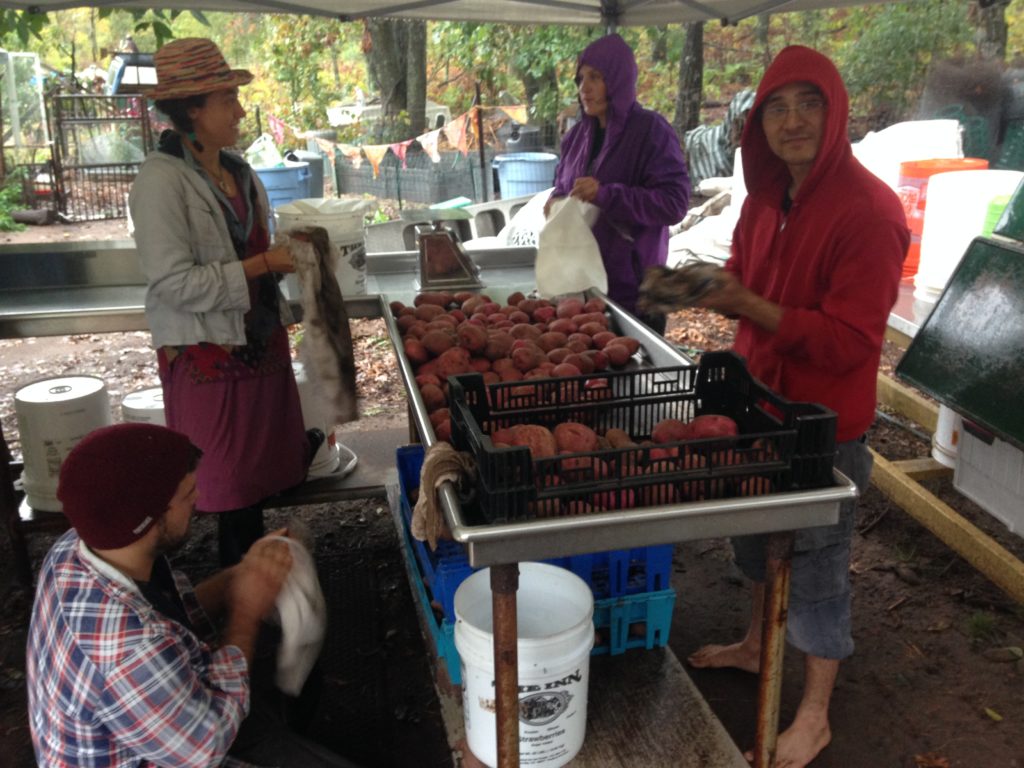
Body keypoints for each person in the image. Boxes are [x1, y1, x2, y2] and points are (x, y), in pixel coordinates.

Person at [687, 46, 908, 767]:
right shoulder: (762, 199)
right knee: (753, 540)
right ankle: (757, 645)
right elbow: (746, 278)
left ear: (836, 111)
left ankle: (814, 714)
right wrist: (709, 285)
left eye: (809, 104)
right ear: (758, 125)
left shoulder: (869, 212)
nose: (793, 122)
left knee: (816, 565)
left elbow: (850, 342)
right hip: (759, 406)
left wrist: (754, 305)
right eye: (777, 108)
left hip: (823, 425)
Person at [26, 422, 358, 767]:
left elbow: (166, 616)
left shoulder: (80, 547)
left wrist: (243, 575)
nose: (198, 500)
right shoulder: (128, 652)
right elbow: (204, 747)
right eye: (187, 494)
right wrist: (245, 613)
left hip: (161, 724)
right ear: (149, 520)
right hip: (188, 747)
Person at [129, 38, 317, 567]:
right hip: (210, 359)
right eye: (226, 98)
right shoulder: (159, 183)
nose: (239, 109)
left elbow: (260, 243)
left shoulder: (239, 171)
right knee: (230, 492)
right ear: (191, 108)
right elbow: (173, 283)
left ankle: (270, 579)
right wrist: (261, 266)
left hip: (259, 348)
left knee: (263, 484)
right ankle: (241, 603)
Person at [545, 33, 691, 333]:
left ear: (618, 79)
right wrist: (555, 203)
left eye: (595, 77)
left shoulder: (651, 131)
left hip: (636, 292)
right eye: (580, 78)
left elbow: (674, 204)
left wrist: (607, 195)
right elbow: (562, 187)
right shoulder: (574, 138)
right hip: (580, 286)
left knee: (634, 376)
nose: (584, 88)